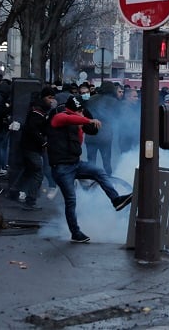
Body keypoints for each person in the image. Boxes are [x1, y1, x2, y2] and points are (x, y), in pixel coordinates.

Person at [46, 95, 132, 243]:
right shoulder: (59, 117)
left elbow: (89, 132)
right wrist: (87, 120)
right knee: (71, 200)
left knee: (99, 172)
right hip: (61, 168)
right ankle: (75, 232)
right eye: (80, 111)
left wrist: (86, 123)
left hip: (75, 164)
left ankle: (116, 200)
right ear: (74, 110)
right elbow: (68, 119)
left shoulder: (79, 120)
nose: (82, 114)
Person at [18, 88, 56, 211]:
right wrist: (43, 141)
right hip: (31, 147)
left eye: (52, 98)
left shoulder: (41, 110)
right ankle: (30, 200)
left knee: (30, 170)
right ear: (43, 97)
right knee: (38, 172)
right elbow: (33, 129)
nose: (52, 100)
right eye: (49, 98)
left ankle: (17, 191)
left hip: (31, 146)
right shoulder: (37, 111)